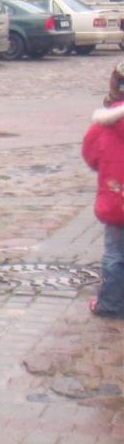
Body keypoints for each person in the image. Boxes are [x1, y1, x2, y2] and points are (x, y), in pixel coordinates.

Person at [81, 62, 124, 320]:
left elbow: (90, 157)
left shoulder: (102, 126)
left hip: (116, 199)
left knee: (114, 254)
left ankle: (109, 304)